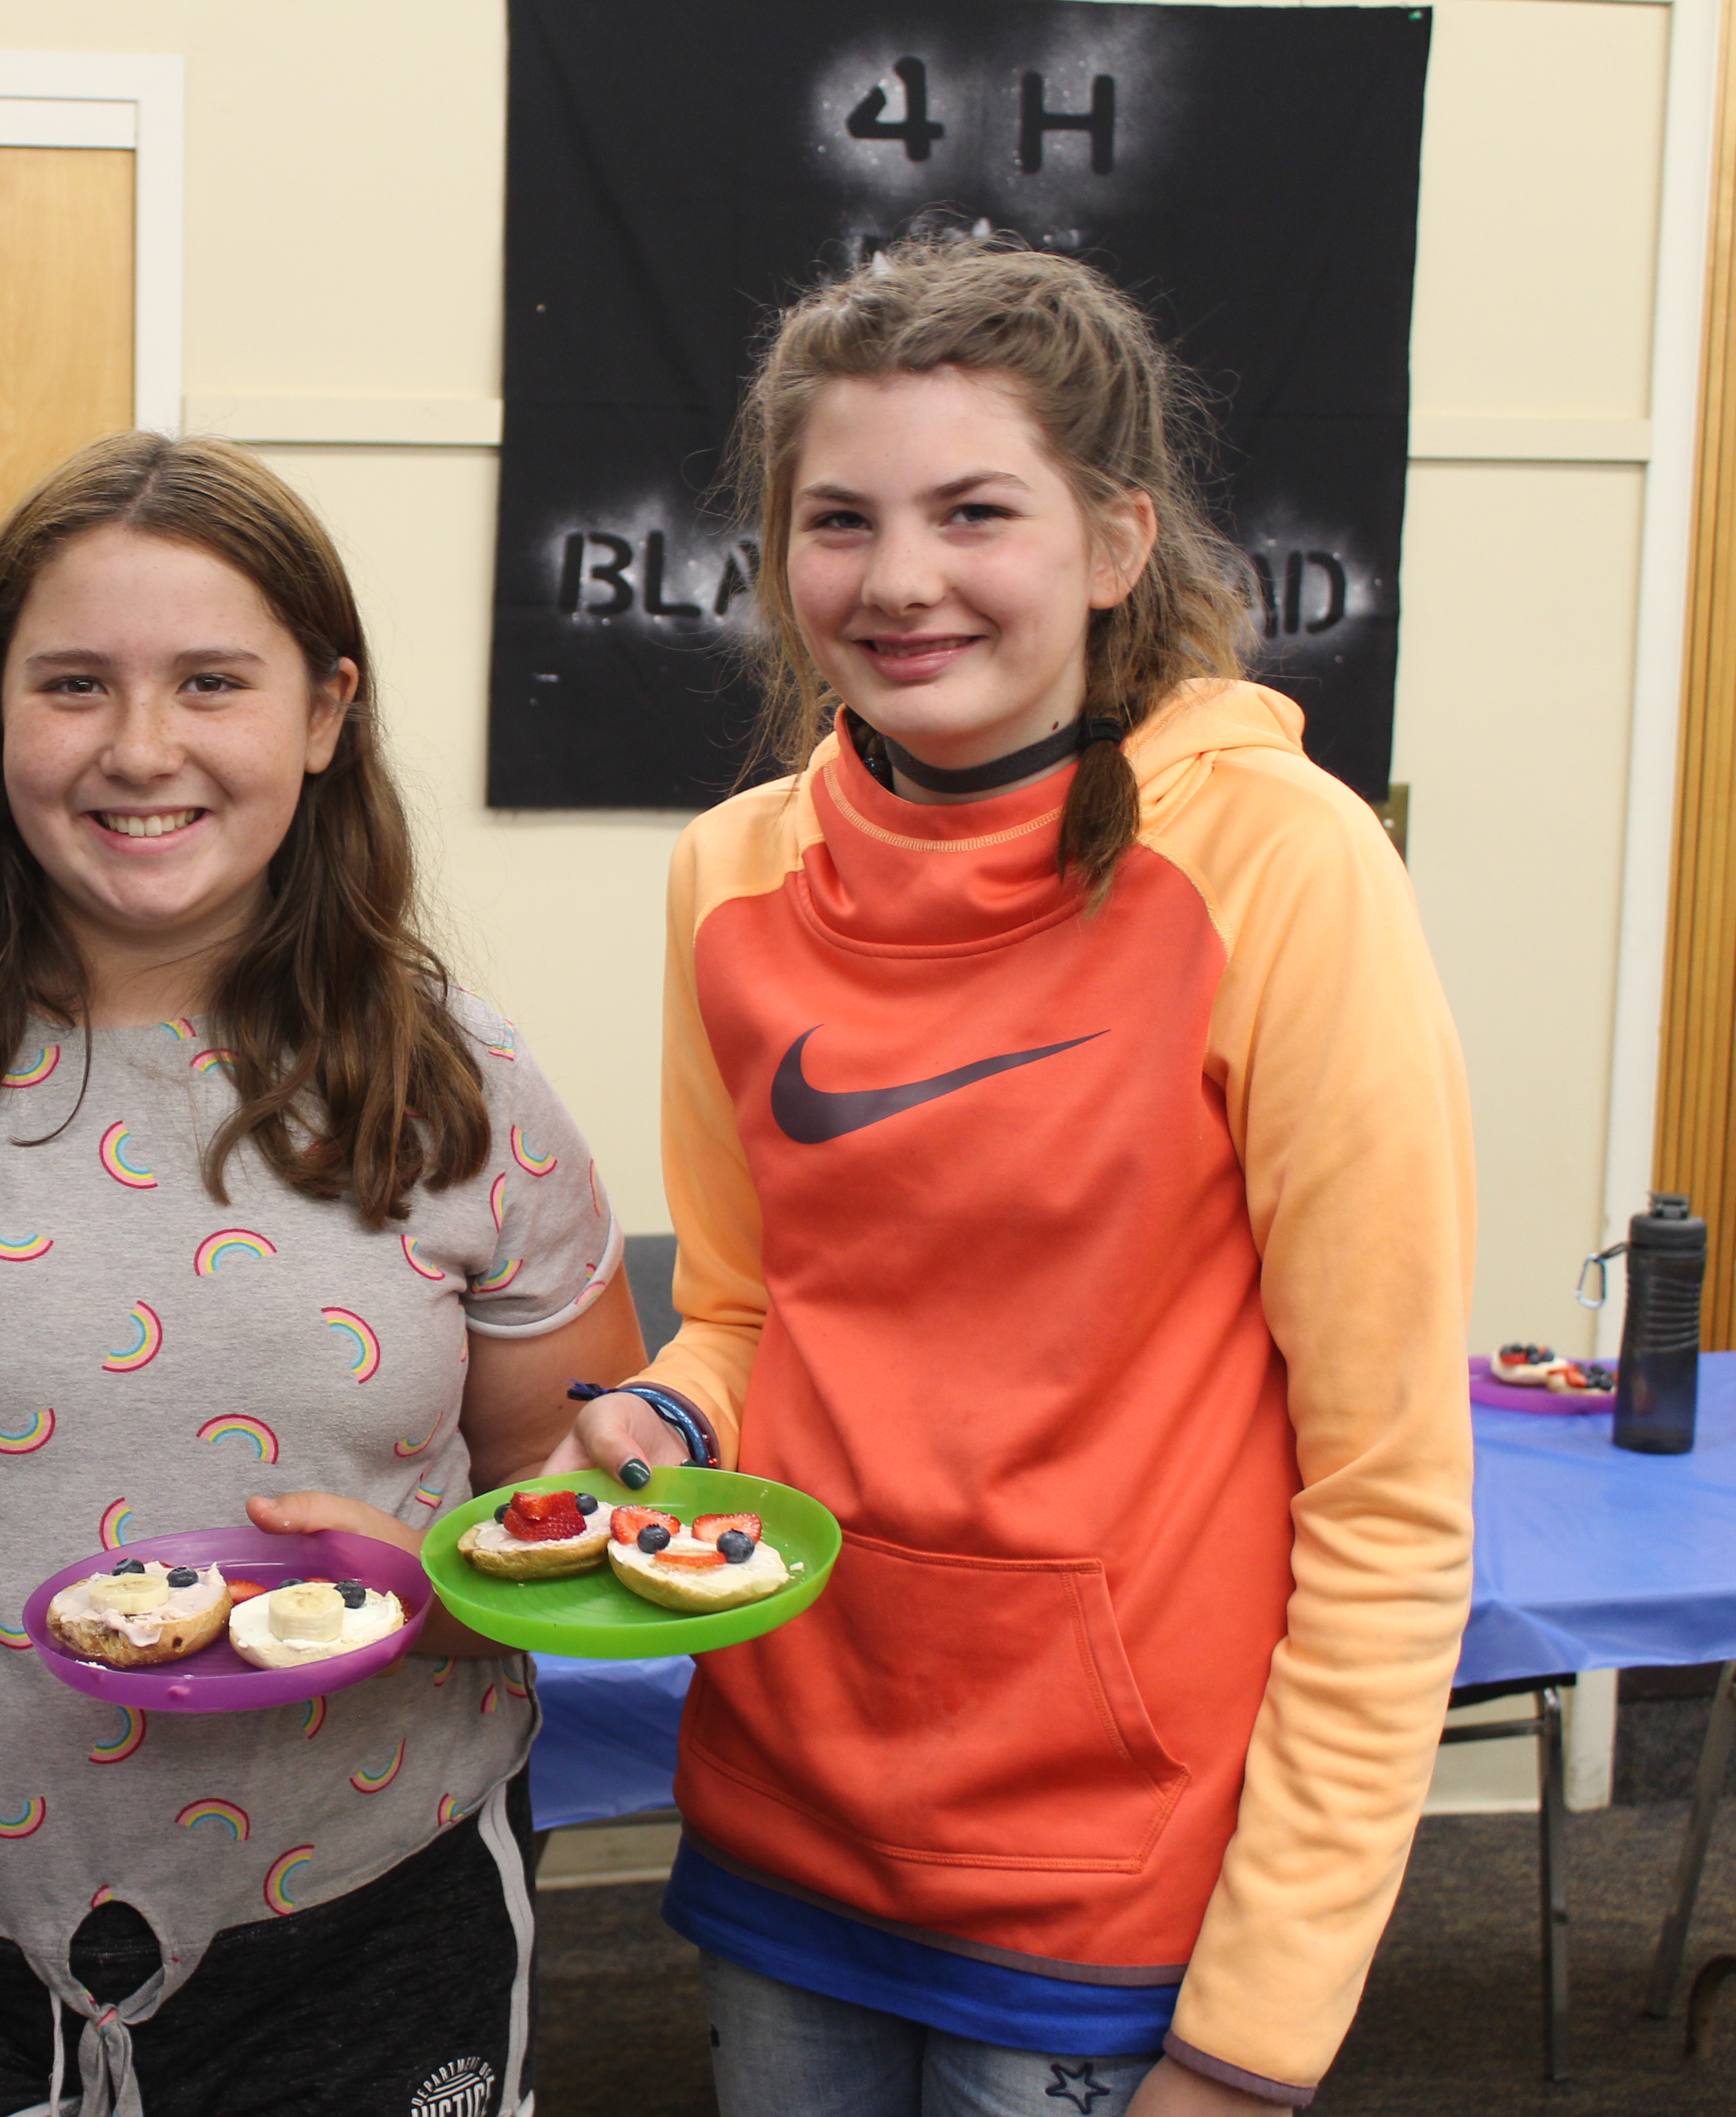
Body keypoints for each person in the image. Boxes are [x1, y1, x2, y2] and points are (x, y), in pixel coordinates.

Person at [559, 235, 1476, 2115]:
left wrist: (1255, 2033)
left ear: (1116, 542)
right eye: (841, 521)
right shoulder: (730, 873)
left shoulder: (1282, 871)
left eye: (976, 510)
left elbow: (1390, 1500)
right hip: (789, 1809)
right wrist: (665, 1403)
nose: (900, 582)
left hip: (1108, 1875)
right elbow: (751, 1305)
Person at [0, 432, 646, 2117]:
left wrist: (428, 1592)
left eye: (210, 683)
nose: (140, 749)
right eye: (74, 686)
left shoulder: (460, 1088)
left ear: (325, 715)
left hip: (376, 1922)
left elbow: (570, 1504)